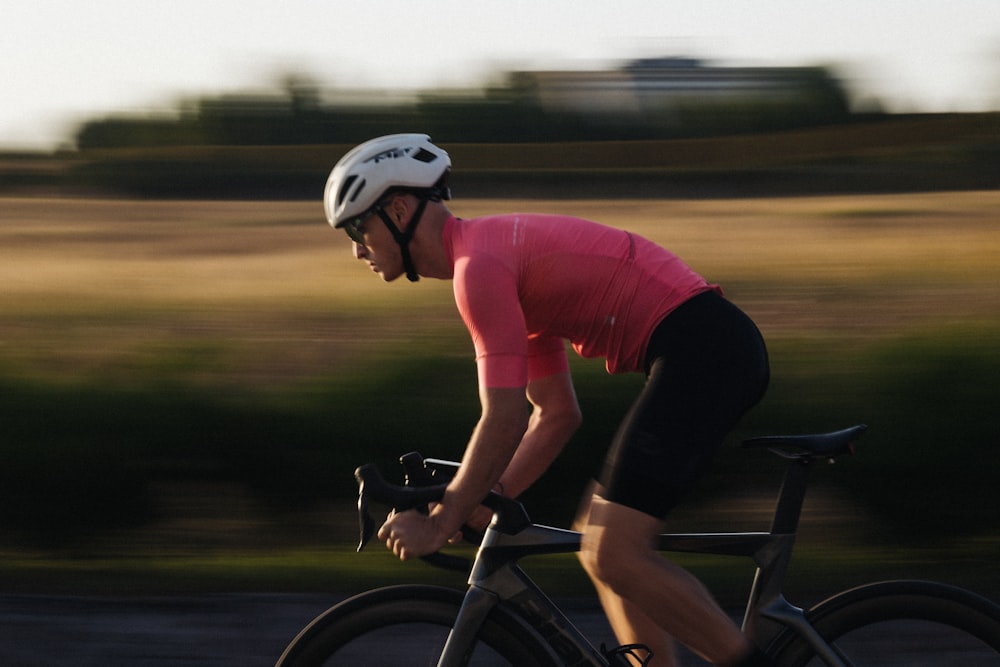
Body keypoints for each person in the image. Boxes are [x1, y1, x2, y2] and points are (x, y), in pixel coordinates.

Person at [323, 134, 772, 667]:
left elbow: (504, 417)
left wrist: (443, 520)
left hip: (705, 350)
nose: (356, 248)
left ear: (398, 209)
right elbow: (554, 414)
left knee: (615, 551)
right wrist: (487, 497)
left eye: (358, 227)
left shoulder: (479, 270)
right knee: (598, 544)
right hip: (706, 347)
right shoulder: (493, 258)